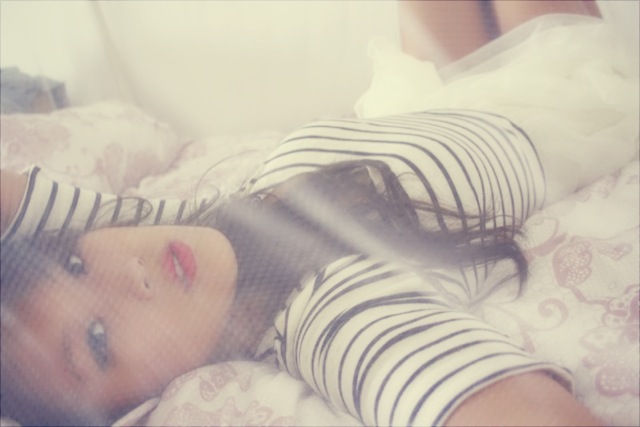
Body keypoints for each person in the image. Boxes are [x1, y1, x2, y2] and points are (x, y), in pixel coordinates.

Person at [1, 1, 635, 426]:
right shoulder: (334, 312)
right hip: (545, 103)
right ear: (139, 405)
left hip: (419, 103)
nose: (126, 276)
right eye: (98, 340)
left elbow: (24, 205)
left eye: (75, 264)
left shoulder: (201, 229)